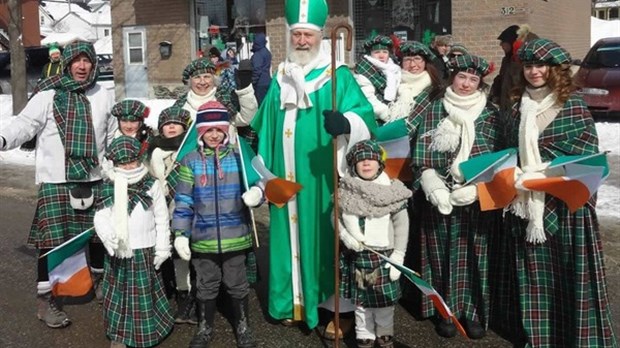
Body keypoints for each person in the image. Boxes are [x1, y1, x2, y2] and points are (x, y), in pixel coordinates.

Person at [245, 0, 376, 338]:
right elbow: (267, 128)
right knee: (286, 237)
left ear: (319, 37)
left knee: (326, 238)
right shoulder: (280, 77)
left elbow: (366, 118)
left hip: (321, 178)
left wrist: (345, 121)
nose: (302, 41)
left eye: (307, 35)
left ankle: (338, 309)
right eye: (297, 35)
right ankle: (292, 301)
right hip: (284, 177)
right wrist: (265, 177)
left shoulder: (338, 75)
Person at [493, 38, 617, 347]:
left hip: (564, 206)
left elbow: (587, 158)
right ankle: (537, 335)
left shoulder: (572, 104)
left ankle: (573, 335)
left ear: (554, 69)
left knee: (565, 275)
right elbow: (504, 151)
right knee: (532, 274)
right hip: (524, 206)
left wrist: (539, 175)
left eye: (541, 65)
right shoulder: (515, 104)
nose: (534, 71)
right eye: (530, 65)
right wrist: (514, 174)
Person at [0, 40, 116, 328]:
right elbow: (24, 124)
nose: (81, 65)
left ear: (93, 63)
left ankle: (100, 282)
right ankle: (45, 300)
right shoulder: (48, 94)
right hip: (56, 179)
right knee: (51, 243)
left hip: (94, 175)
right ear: (66, 63)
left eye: (86, 60)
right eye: (75, 60)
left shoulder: (104, 94)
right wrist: (3, 139)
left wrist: (119, 164)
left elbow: (111, 135)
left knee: (98, 235)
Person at [411, 54, 500, 339]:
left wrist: (478, 188)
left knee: (476, 255)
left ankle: (473, 313)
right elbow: (422, 150)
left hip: (475, 198)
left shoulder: (490, 113)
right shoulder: (436, 108)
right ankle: (445, 312)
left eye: (473, 79)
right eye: (462, 77)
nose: (466, 84)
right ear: (453, 77)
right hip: (440, 197)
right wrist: (431, 181)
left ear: (480, 83)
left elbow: (499, 158)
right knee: (440, 254)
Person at [172, 101, 257, 348]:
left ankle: (242, 326)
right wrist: (180, 233)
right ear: (200, 131)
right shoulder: (190, 161)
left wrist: (257, 193)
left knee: (237, 284)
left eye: (218, 129)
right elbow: (184, 200)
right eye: (208, 130)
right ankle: (204, 327)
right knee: (206, 285)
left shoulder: (238, 157)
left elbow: (258, 179)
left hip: (236, 236)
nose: (213, 135)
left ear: (225, 130)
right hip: (203, 238)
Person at [94, 136, 174, 348]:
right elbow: (100, 215)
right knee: (119, 295)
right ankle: (119, 334)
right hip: (119, 251)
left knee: (144, 295)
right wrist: (106, 233)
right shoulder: (109, 185)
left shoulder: (152, 184)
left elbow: (162, 218)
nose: (130, 166)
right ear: (115, 163)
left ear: (140, 159)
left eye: (133, 161)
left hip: (145, 250)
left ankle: (148, 332)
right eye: (123, 162)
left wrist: (163, 247)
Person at [337, 140, 412, 348]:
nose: (366, 163)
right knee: (361, 303)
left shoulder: (393, 193)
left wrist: (399, 255)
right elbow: (335, 218)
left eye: (371, 159)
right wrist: (346, 236)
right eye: (360, 160)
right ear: (353, 166)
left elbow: (401, 226)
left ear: (380, 163)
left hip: (385, 256)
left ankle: (385, 333)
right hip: (359, 256)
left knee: (384, 303)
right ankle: (364, 333)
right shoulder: (346, 191)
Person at [146, 106, 196, 324]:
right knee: (175, 256)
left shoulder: (193, 149)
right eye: (167, 124)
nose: (172, 127)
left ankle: (198, 297)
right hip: (166, 212)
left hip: (192, 211)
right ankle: (181, 295)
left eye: (177, 123)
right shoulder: (154, 152)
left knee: (195, 254)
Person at [173, 57, 257, 151]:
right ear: (189, 81)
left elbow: (246, 119)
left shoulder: (226, 100)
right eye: (197, 77)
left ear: (214, 79)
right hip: (190, 158)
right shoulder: (181, 106)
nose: (202, 82)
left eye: (207, 77)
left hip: (226, 157)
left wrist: (244, 90)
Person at [385, 41, 443, 125]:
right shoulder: (392, 83)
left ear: (425, 62)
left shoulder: (436, 89)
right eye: (407, 60)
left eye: (417, 59)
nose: (412, 65)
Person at [250, 33, 272, 105]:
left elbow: (257, 69)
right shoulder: (267, 52)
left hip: (260, 84)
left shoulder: (258, 54)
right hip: (268, 81)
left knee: (261, 105)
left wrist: (253, 81)